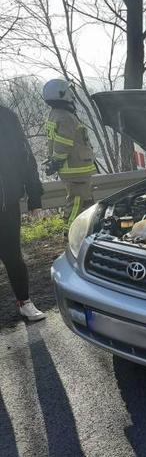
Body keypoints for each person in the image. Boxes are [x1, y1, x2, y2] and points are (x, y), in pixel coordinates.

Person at [0, 105, 46, 321]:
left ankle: (24, 302)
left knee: (13, 256)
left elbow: (25, 156)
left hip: (5, 203)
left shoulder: (6, 116)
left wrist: (34, 197)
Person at [42, 79, 97, 228]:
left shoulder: (55, 114)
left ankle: (85, 232)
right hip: (75, 169)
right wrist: (57, 160)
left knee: (86, 203)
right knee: (77, 203)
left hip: (73, 169)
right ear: (62, 94)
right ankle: (71, 235)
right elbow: (63, 144)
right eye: (69, 91)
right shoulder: (66, 117)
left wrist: (55, 162)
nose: (72, 94)